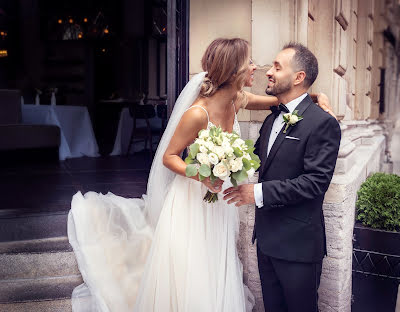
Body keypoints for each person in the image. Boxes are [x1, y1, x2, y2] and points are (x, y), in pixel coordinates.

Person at [68, 38, 334, 312]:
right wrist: (200, 176)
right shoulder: (197, 113)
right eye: (249, 62)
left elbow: (279, 102)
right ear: (233, 71)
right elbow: (169, 157)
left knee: (216, 263)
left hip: (219, 203)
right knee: (193, 268)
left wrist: (314, 97)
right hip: (192, 201)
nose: (256, 67)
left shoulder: (238, 99)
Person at [224, 43, 341, 312]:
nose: (268, 72)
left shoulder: (323, 123)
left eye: (277, 67)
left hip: (298, 247)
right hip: (266, 242)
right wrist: (213, 160)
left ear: (299, 77)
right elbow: (250, 160)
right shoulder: (271, 119)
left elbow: (315, 183)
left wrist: (256, 193)